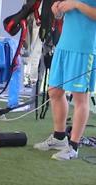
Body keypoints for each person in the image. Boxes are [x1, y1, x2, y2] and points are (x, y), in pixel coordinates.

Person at [33, 0, 96, 160]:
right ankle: (59, 137)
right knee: (54, 91)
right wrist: (58, 11)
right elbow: (65, 13)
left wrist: (77, 5)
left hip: (84, 48)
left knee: (80, 98)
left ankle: (73, 147)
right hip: (64, 45)